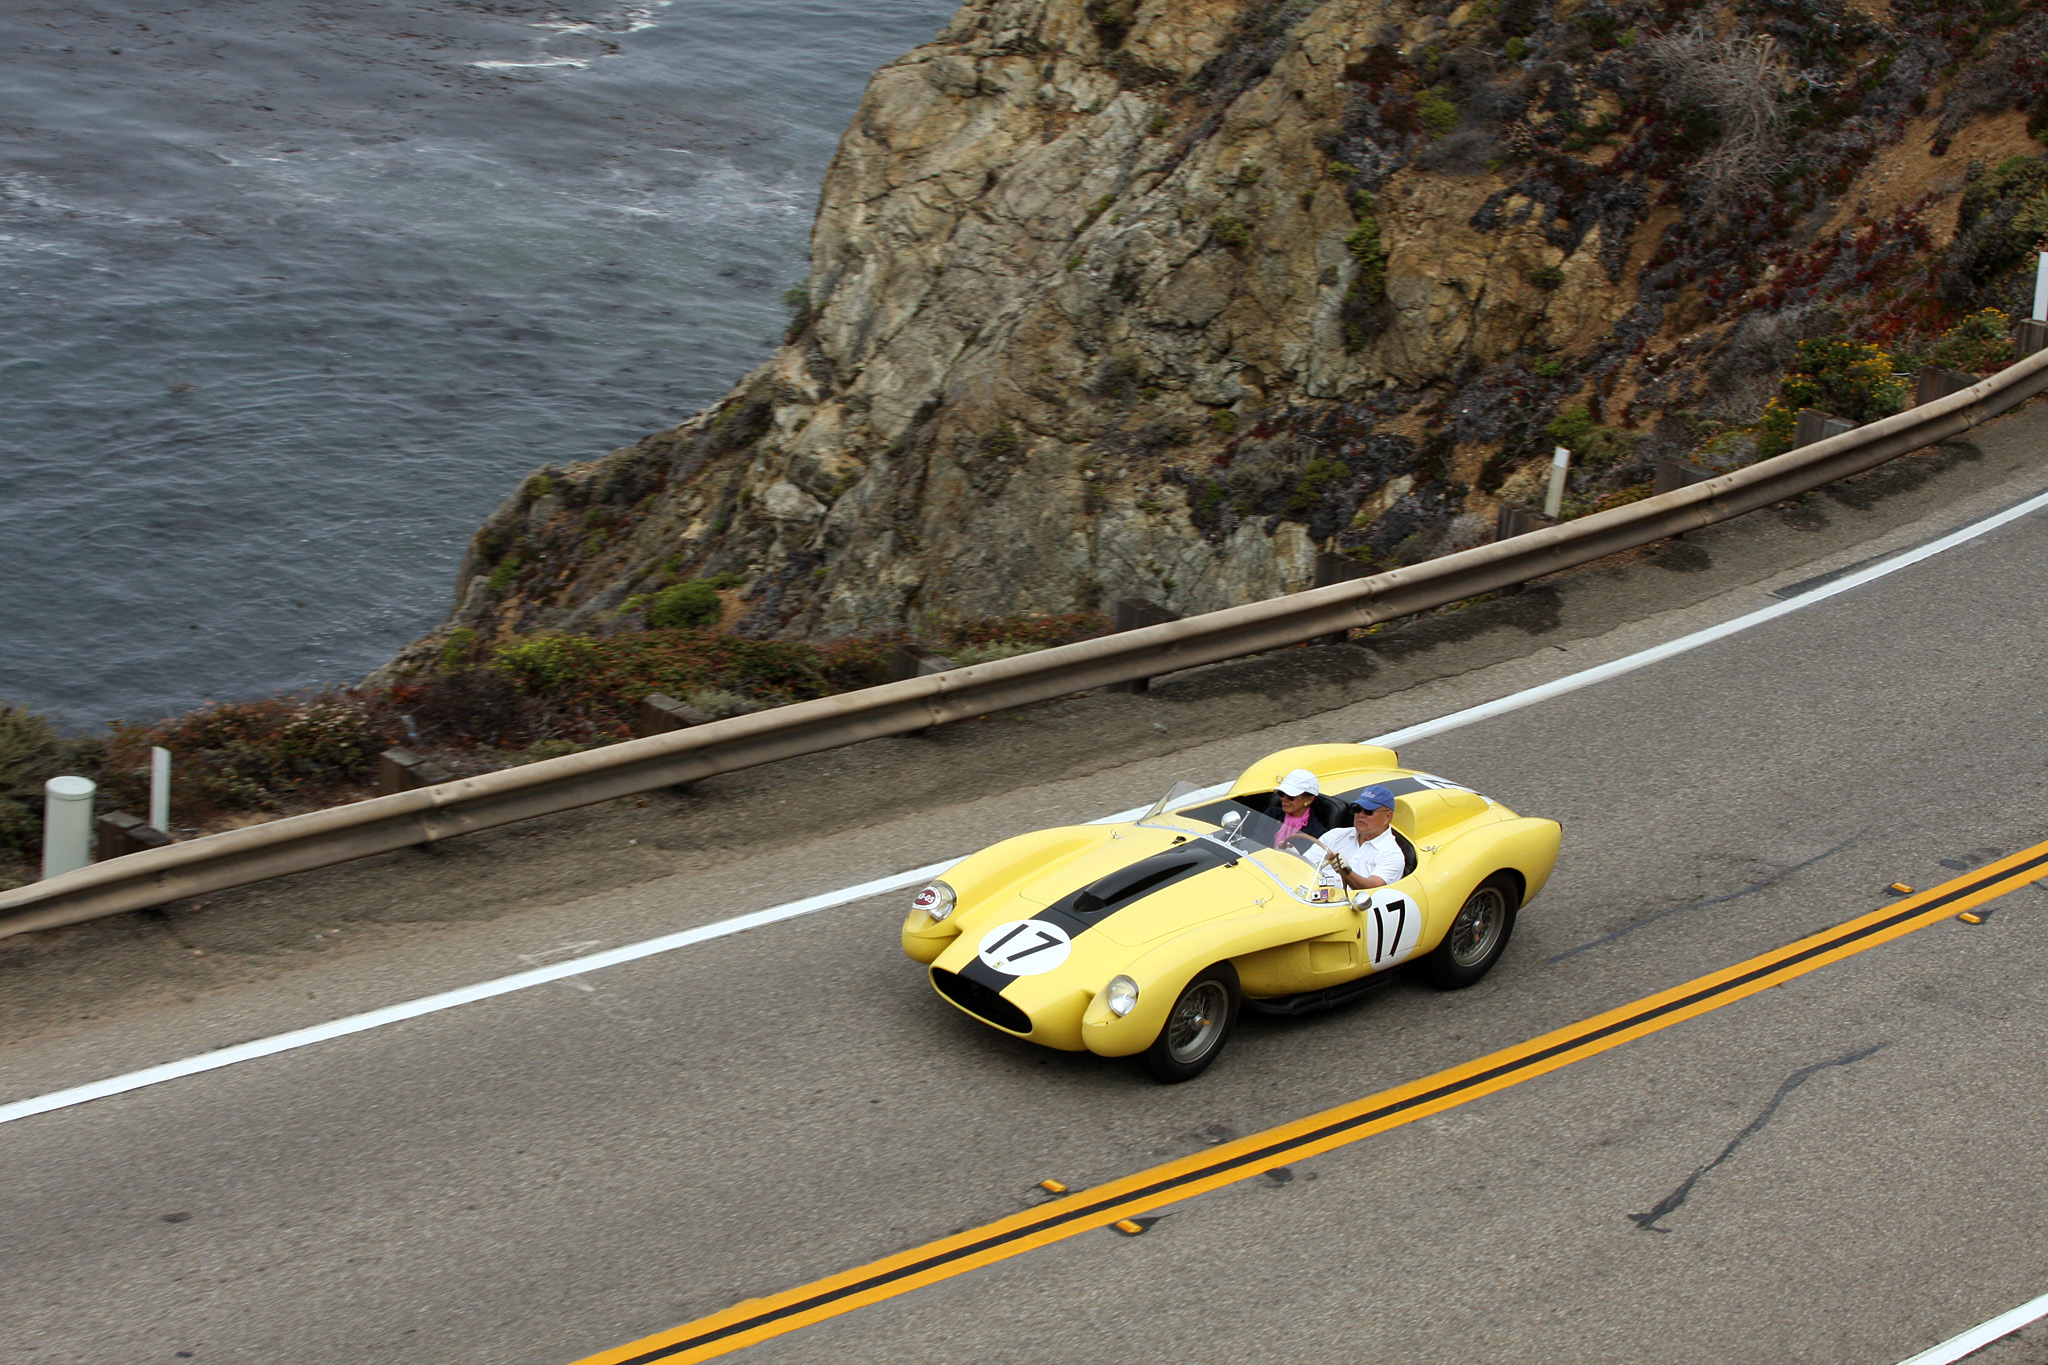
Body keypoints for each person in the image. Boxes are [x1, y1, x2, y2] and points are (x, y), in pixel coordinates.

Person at [1317, 785, 1406, 891]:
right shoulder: (1334, 835)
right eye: (1357, 809)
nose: (1361, 815)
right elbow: (1306, 864)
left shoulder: (1392, 854)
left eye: (1369, 811)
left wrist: (1347, 872)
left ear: (1387, 817)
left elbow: (1372, 889)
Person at [1262, 768, 1330, 849]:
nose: (1284, 799)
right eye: (1281, 794)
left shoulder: (1316, 833)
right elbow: (1255, 841)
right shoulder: (1271, 814)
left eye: (1291, 796)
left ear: (1309, 799)